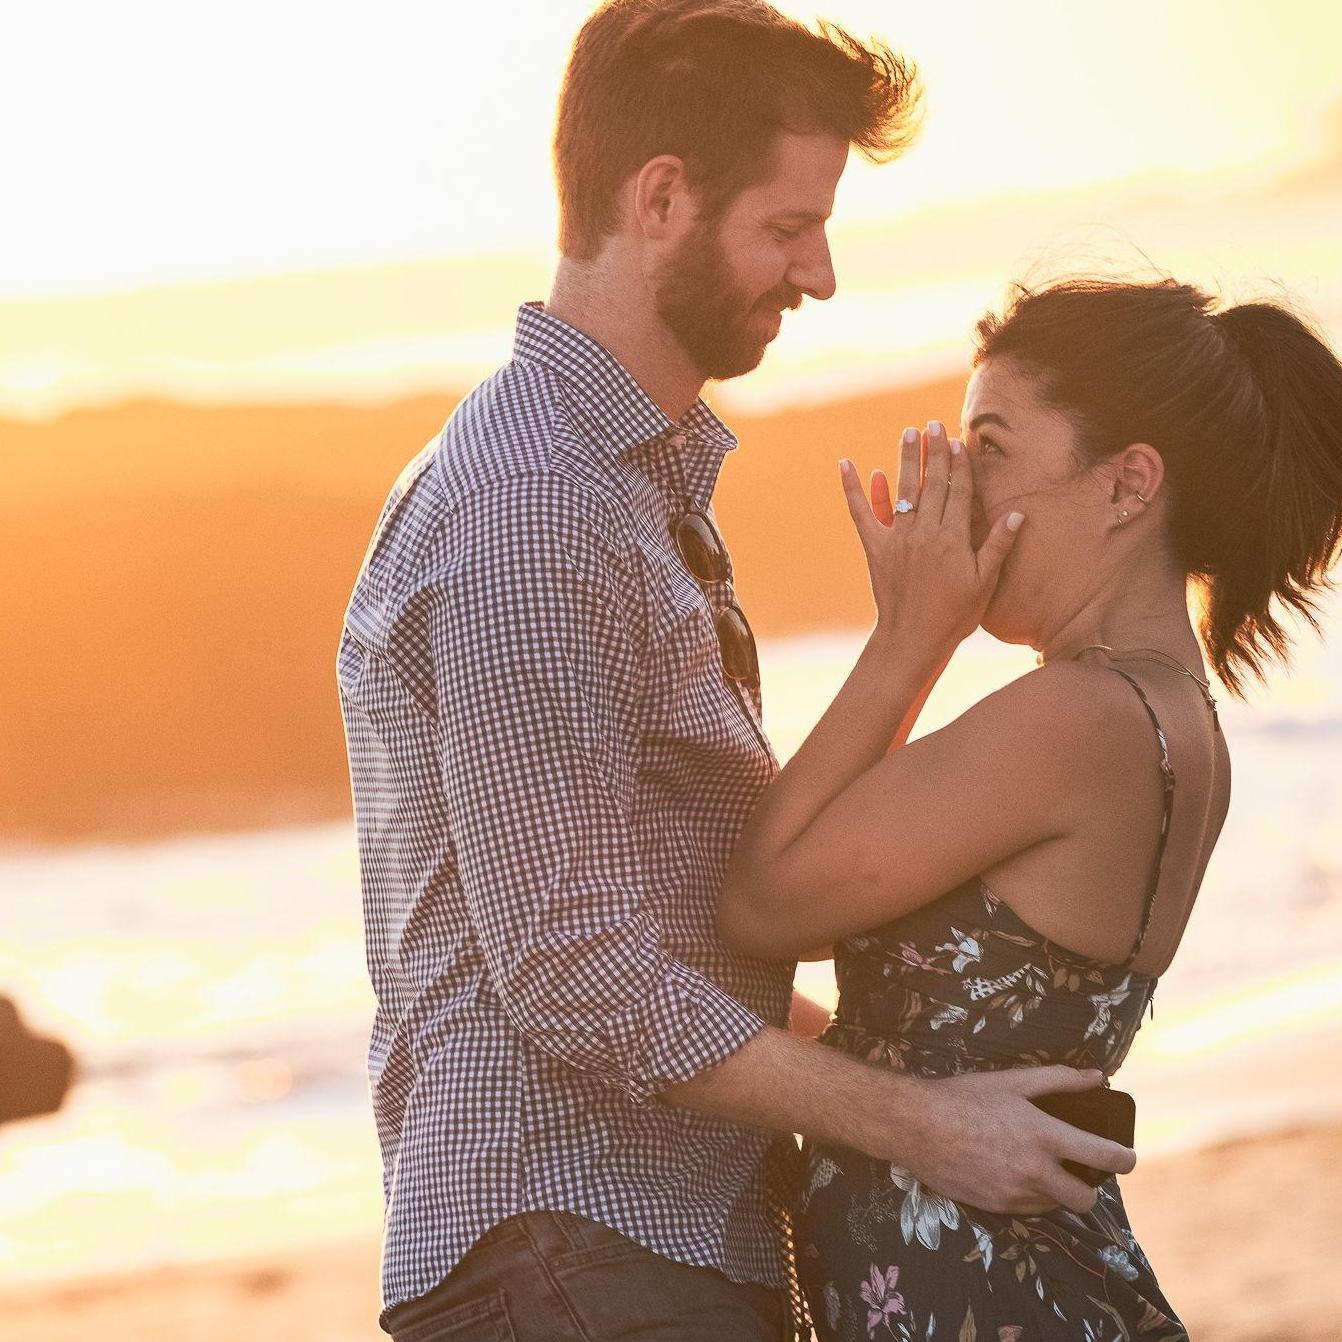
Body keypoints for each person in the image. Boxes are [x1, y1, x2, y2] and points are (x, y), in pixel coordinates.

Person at [338, 5, 1134, 1339]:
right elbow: (574, 973)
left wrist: (966, 1095)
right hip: (572, 1260)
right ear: (660, 199)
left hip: (619, 1253)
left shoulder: (612, 489)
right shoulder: (534, 511)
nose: (817, 274)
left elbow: (685, 934)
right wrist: (927, 1124)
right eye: (786, 225)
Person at [717, 276, 1342, 1338]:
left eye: (991, 445)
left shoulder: (1077, 719)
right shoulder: (1166, 712)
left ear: (1125, 484)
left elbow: (759, 903)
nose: (954, 485)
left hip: (980, 1291)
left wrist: (909, 637)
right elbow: (933, 1045)